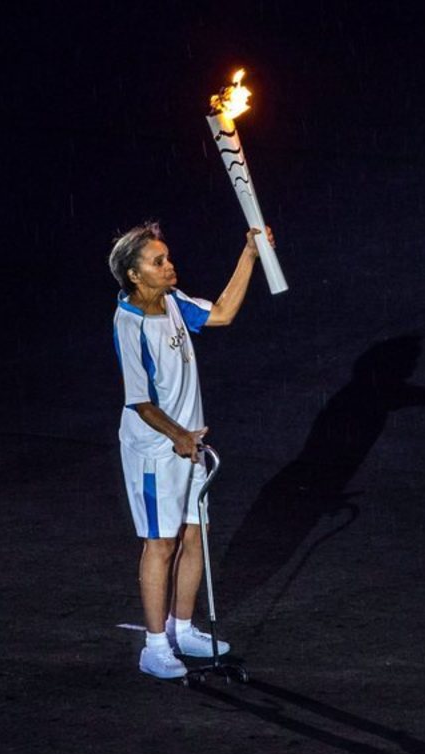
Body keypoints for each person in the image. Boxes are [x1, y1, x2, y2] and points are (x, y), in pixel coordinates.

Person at [108, 222, 272, 678]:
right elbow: (139, 400)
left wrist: (250, 256)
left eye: (167, 257)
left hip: (190, 443)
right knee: (160, 544)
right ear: (134, 275)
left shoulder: (174, 302)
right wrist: (177, 435)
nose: (168, 265)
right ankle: (154, 646)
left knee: (194, 535)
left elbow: (220, 313)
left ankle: (182, 629)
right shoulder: (130, 323)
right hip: (156, 450)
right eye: (157, 262)